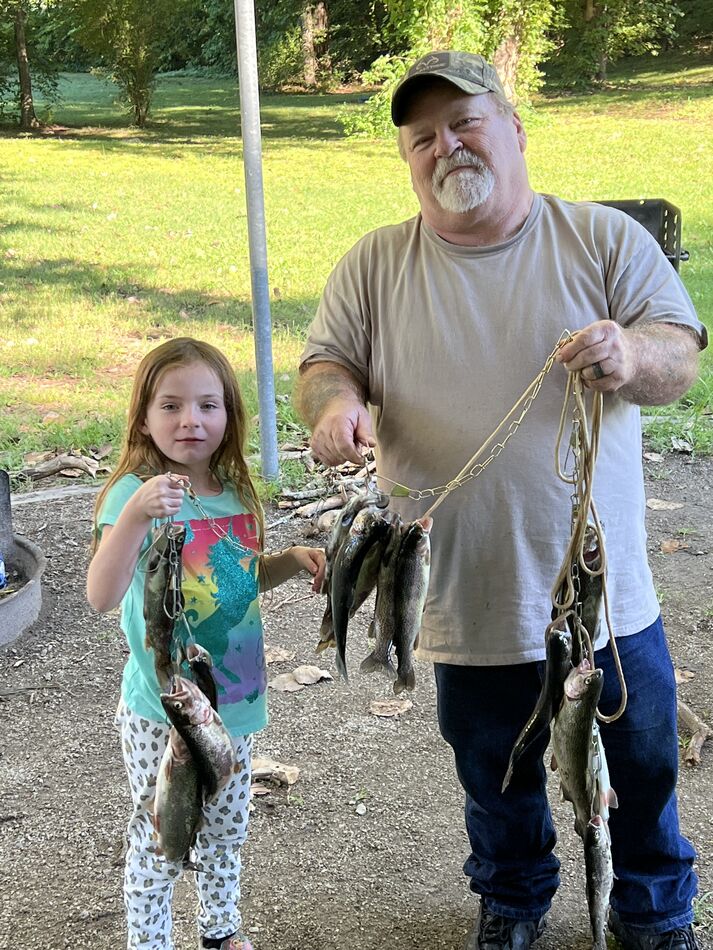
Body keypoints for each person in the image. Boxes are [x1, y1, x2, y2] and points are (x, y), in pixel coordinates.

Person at [296, 50, 708, 950]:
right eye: (422, 138)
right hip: (457, 584)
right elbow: (326, 365)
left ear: (514, 131)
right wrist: (334, 405)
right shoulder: (373, 264)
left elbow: (678, 352)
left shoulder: (600, 239)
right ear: (408, 158)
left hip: (599, 587)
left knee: (637, 761)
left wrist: (632, 358)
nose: (445, 147)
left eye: (465, 124)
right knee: (491, 767)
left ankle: (650, 908)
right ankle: (513, 897)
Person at [87, 337, 325, 950]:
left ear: (230, 416)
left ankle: (220, 932)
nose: (190, 420)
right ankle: (151, 942)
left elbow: (236, 580)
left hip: (236, 707)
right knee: (162, 836)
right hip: (161, 715)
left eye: (207, 405)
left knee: (226, 829)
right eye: (170, 406)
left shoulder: (233, 494)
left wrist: (291, 563)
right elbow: (101, 595)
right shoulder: (133, 495)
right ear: (143, 416)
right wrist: (138, 514)